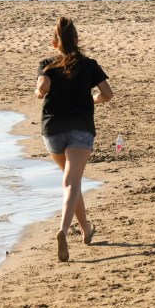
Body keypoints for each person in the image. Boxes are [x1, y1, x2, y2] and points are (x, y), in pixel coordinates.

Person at [35, 17, 112, 262]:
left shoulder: (47, 65)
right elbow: (107, 94)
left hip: (53, 129)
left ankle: (86, 230)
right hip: (80, 128)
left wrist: (40, 90)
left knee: (72, 181)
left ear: (54, 42)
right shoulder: (89, 65)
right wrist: (93, 100)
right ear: (77, 40)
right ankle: (64, 230)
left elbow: (43, 86)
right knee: (72, 182)